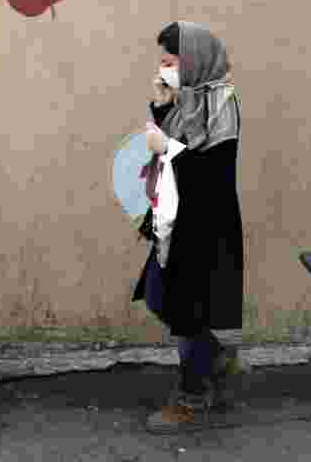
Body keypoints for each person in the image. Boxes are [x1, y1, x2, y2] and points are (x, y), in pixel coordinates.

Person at [131, 21, 246, 433]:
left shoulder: (221, 102)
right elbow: (174, 154)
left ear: (194, 60)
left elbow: (212, 172)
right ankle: (213, 357)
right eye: (161, 63)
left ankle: (192, 398)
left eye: (170, 62)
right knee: (162, 297)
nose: (163, 70)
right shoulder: (189, 99)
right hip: (179, 219)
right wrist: (162, 108)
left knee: (186, 311)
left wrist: (168, 148)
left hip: (205, 224)